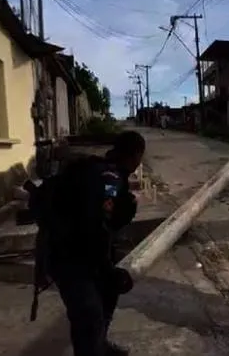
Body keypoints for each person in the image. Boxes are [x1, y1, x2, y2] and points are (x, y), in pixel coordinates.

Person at [34, 131, 146, 356]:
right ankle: (91, 349)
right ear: (134, 155)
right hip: (69, 257)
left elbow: (104, 222)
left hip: (78, 250)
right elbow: (95, 228)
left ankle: (99, 345)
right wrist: (108, 269)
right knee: (88, 315)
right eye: (140, 157)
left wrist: (124, 211)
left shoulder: (103, 171)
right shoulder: (109, 178)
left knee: (106, 297)